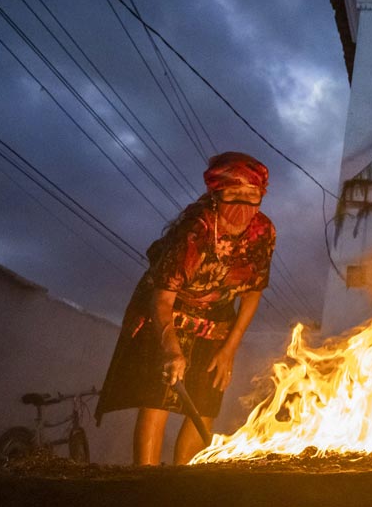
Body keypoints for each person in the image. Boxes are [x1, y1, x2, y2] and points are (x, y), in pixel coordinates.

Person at [96, 152, 276, 465]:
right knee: (159, 398)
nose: (244, 207)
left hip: (217, 322)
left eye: (253, 196)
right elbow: (162, 298)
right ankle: (147, 484)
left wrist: (229, 350)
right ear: (216, 195)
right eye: (235, 195)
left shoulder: (263, 232)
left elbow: (252, 294)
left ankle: (185, 484)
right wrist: (170, 349)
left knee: (204, 406)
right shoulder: (196, 232)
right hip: (169, 314)